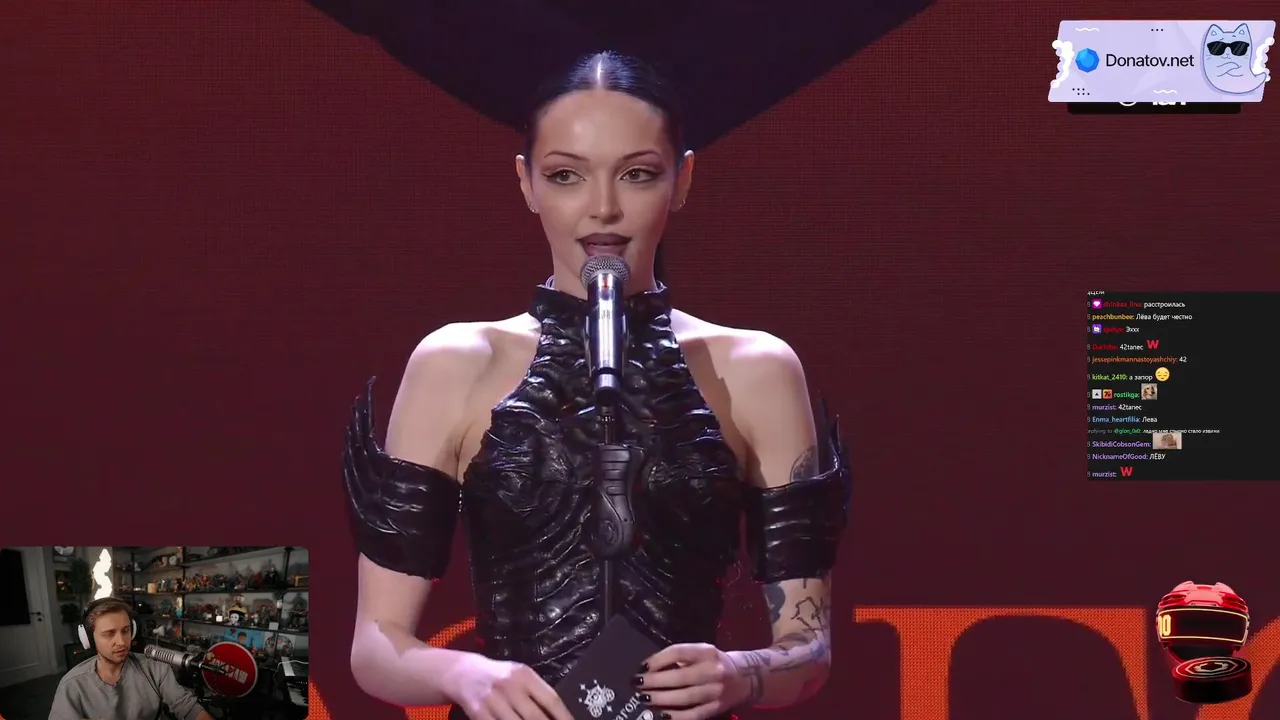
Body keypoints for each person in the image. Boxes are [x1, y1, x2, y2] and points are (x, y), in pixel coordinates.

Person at [344, 51, 851, 720]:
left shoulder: (757, 370)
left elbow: (808, 649)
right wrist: (464, 673)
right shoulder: (457, 364)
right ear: (527, 183)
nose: (604, 209)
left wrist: (740, 674)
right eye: (566, 176)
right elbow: (376, 646)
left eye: (638, 175)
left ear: (682, 179)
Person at [49, 598, 214, 720]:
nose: (121, 642)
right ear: (89, 640)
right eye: (109, 634)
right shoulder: (72, 686)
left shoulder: (155, 669)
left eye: (126, 631)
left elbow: (188, 708)